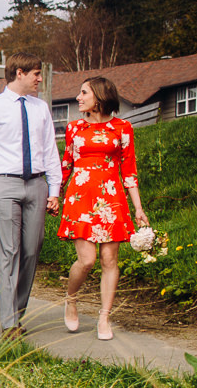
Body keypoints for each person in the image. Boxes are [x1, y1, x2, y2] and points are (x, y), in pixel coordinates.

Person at [0, 53, 62, 338]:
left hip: (36, 185)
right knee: (8, 251)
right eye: (35, 73)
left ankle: (17, 313)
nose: (40, 79)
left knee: (32, 250)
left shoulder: (41, 108)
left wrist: (53, 190)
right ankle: (9, 323)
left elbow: (49, 151)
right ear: (19, 73)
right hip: (4, 186)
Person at [58, 75, 148, 340]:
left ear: (98, 96)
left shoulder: (123, 128)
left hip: (111, 198)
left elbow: (129, 172)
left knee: (110, 260)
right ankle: (71, 299)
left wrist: (138, 208)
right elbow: (66, 165)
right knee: (87, 261)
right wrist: (55, 195)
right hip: (80, 197)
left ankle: (104, 317)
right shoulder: (74, 128)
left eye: (83, 93)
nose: (78, 97)